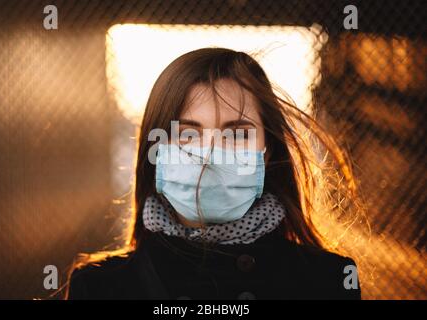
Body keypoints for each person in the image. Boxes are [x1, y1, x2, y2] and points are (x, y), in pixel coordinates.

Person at [66, 47, 361, 300]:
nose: (209, 155)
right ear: (157, 152)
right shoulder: (99, 288)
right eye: (187, 134)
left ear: (267, 150)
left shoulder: (328, 281)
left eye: (237, 134)